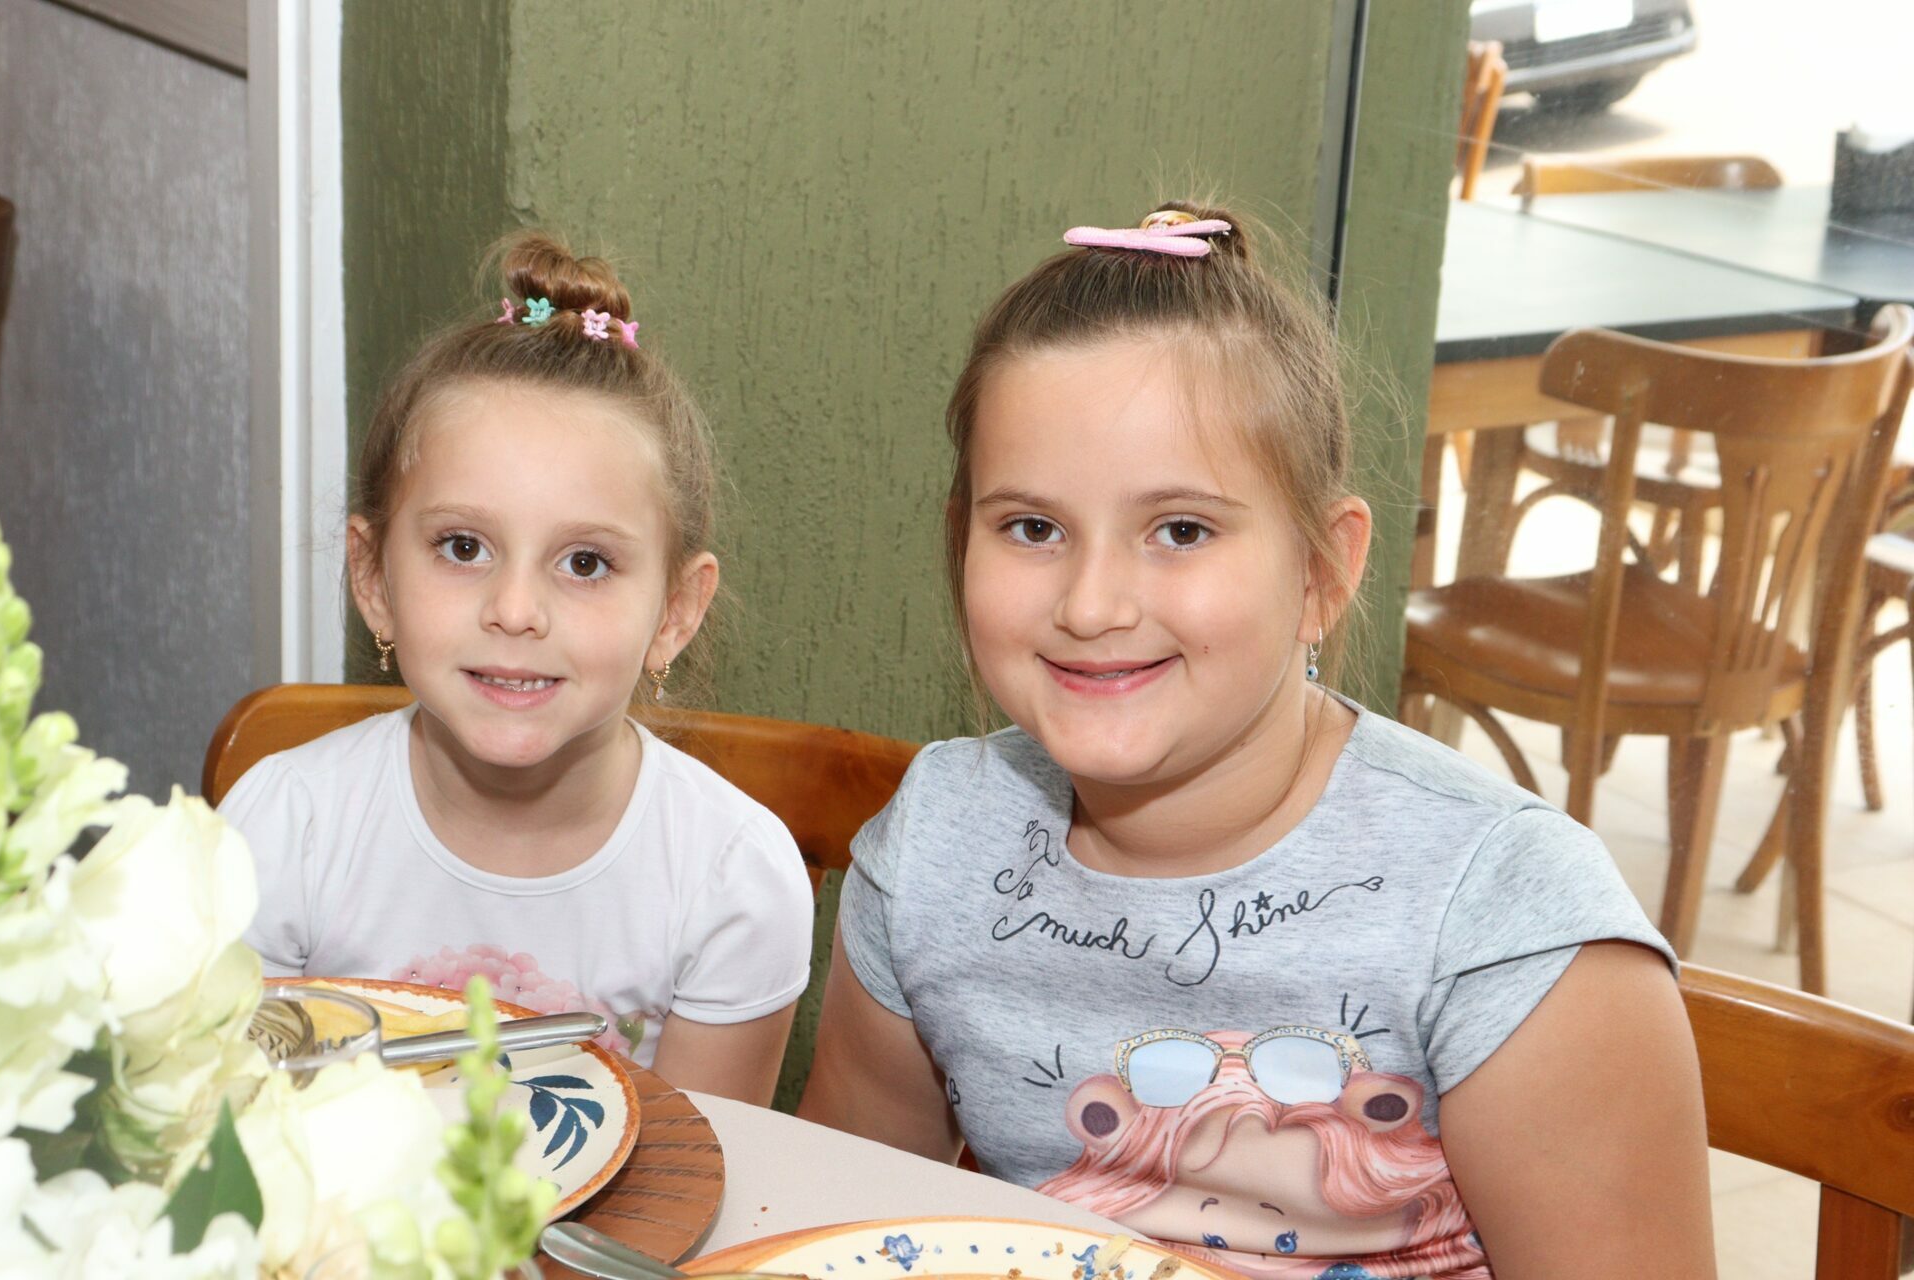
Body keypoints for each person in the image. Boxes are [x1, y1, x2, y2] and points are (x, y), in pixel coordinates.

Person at [799, 205, 1714, 1278]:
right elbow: (841, 1228)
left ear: (1322, 570)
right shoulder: (936, 845)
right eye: (1033, 528)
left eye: (1180, 529)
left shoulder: (1504, 915)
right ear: (963, 541)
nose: (1091, 604)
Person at [223, 232, 812, 1106]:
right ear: (373, 579)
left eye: (585, 563)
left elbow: (696, 1170)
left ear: (675, 614)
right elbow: (242, 1138)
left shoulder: (732, 879)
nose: (515, 609)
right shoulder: (283, 832)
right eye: (463, 547)